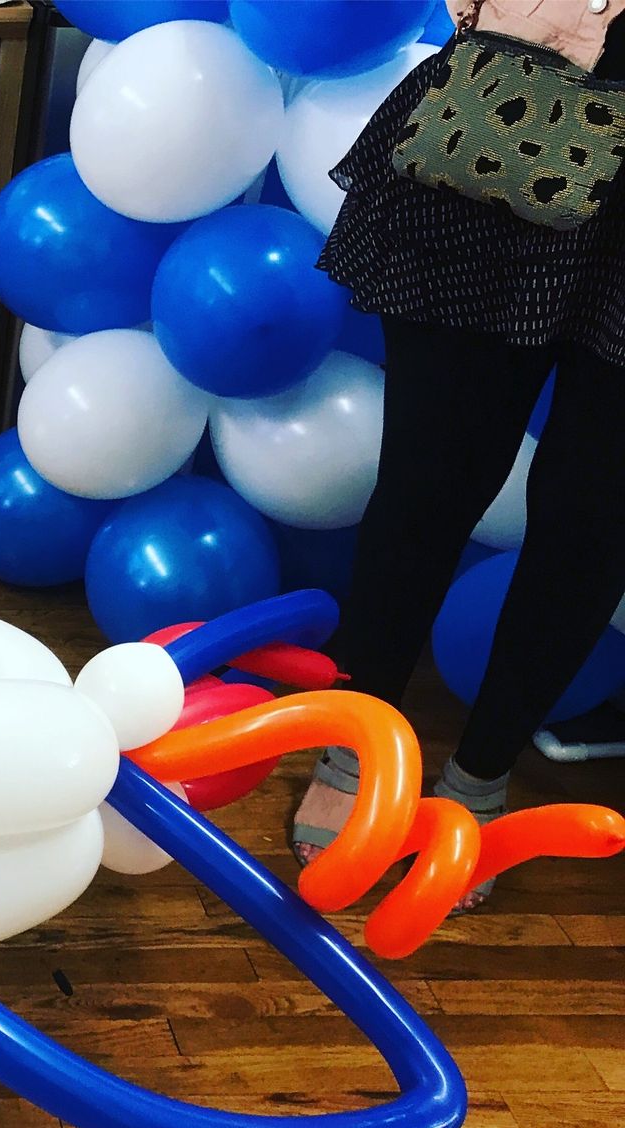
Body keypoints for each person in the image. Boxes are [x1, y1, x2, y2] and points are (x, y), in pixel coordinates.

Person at [292, 0, 625, 909]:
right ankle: (357, 737)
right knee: (430, 476)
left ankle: (482, 772)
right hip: (523, 99)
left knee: (599, 512)